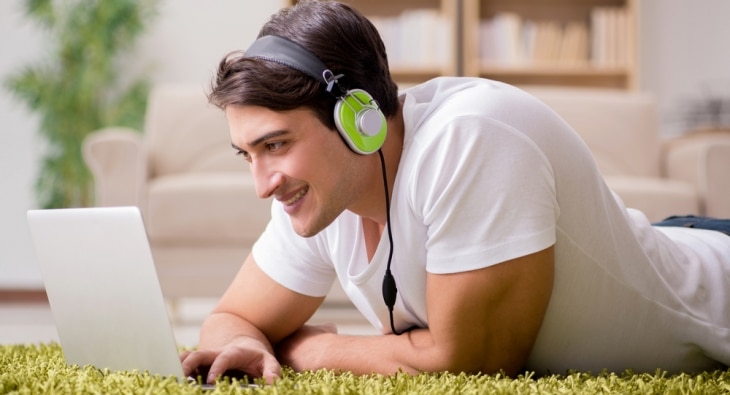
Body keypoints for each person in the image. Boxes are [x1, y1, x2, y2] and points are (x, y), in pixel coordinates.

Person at [180, 0, 730, 384]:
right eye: (248, 154)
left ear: (358, 120)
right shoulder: (318, 192)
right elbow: (231, 318)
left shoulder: (471, 136)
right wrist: (252, 344)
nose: (261, 184)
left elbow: (468, 366)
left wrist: (302, 346)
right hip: (661, 236)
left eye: (275, 145)